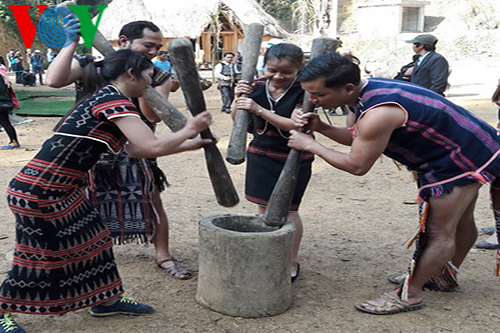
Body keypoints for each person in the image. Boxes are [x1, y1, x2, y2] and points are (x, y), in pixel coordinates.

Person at [0, 49, 213, 333]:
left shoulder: (108, 100)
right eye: (149, 75)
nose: (150, 83)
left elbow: (136, 149)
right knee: (40, 256)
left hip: (59, 190)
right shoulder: (113, 101)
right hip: (40, 193)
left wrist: (192, 143)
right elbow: (151, 147)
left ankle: (105, 300)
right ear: (131, 73)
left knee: (97, 240)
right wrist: (191, 128)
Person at [288, 52, 500, 315]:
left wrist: (312, 145)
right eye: (309, 93)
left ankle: (410, 294)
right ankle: (442, 275)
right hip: (471, 148)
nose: (312, 101)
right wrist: (321, 127)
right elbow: (358, 138)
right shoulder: (365, 94)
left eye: (318, 94)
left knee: (438, 232)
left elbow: (357, 165)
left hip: (457, 160)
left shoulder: (379, 112)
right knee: (461, 222)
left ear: (347, 88)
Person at [46, 20, 192, 280]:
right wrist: (71, 42)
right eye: (148, 45)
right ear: (124, 41)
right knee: (84, 203)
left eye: (157, 47)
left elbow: (152, 116)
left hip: (137, 144)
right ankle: (84, 254)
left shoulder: (155, 75)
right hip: (90, 149)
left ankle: (164, 256)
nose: (153, 51)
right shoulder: (91, 65)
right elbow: (53, 80)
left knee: (152, 199)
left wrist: (142, 84)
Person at [233, 43, 312, 281]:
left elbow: (295, 125)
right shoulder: (255, 86)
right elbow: (237, 119)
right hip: (260, 154)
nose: (278, 77)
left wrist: (258, 109)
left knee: (289, 211)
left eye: (286, 72)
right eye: (271, 70)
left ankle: (291, 260)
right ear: (264, 65)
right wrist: (239, 98)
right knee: (263, 209)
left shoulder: (305, 91)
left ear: (299, 69)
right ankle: (269, 254)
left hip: (294, 156)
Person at [0, 58, 20, 150]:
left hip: (1, 102)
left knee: (5, 123)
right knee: (5, 123)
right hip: (4, 102)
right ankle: (14, 141)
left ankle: (14, 142)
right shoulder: (3, 74)